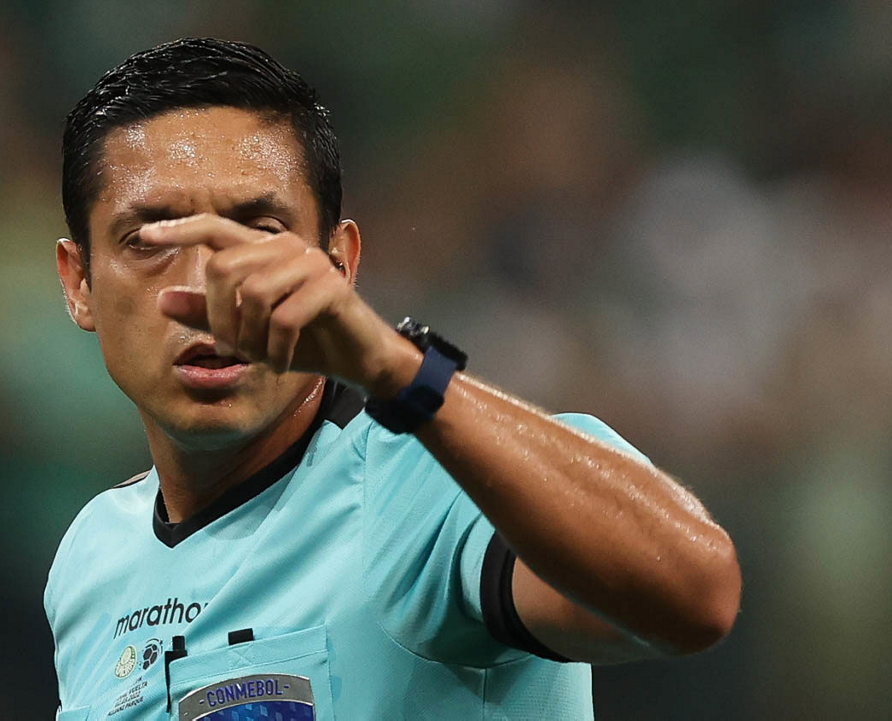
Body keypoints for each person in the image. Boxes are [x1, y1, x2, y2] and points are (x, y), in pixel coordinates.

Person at [45, 37, 740, 720]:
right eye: (150, 240)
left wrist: (401, 369)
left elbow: (697, 596)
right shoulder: (91, 557)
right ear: (79, 283)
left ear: (339, 264)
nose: (206, 289)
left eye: (259, 232)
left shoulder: (432, 482)